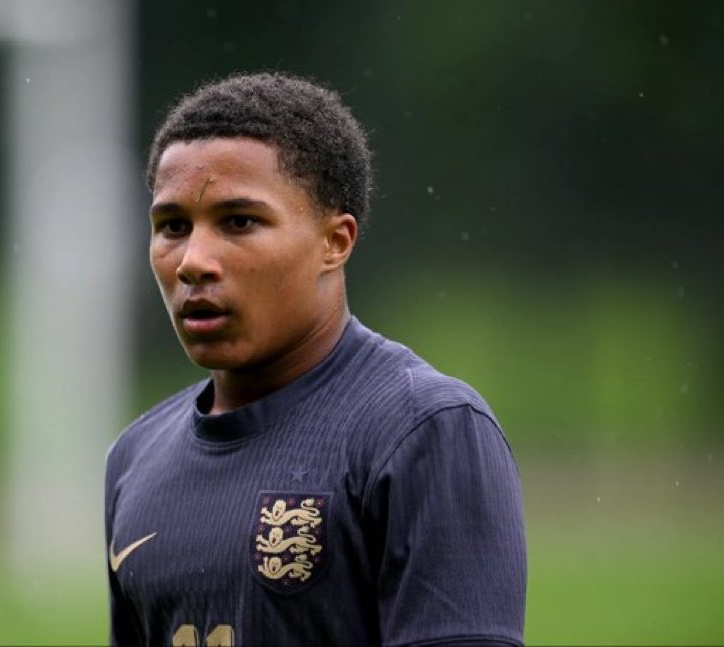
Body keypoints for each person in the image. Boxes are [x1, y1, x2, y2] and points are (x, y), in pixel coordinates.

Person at [104, 72, 526, 647]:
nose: (193, 261)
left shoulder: (425, 429)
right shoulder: (134, 460)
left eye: (239, 221)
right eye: (173, 226)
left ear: (336, 241)